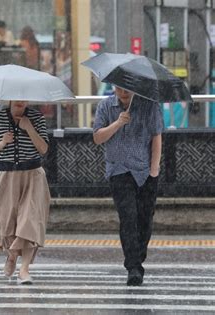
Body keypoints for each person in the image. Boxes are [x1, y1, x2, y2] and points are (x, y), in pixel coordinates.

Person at [93, 86, 163, 286]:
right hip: (119, 171)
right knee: (128, 217)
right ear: (114, 87)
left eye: (127, 88)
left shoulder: (149, 105)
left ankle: (138, 257)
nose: (123, 91)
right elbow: (97, 137)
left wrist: (154, 170)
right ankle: (133, 267)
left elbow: (156, 136)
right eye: (119, 87)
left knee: (145, 220)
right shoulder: (105, 106)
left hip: (145, 171)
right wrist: (117, 123)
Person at [0, 101, 50, 285]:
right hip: (8, 175)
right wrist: (3, 142)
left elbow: (43, 149)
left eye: (24, 96)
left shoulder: (36, 117)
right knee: (7, 222)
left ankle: (24, 269)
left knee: (30, 221)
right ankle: (11, 256)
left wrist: (29, 128)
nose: (20, 100)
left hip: (33, 174)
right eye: (16, 96)